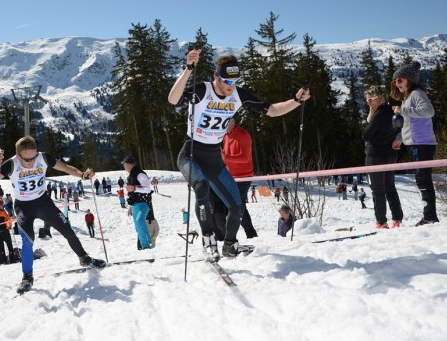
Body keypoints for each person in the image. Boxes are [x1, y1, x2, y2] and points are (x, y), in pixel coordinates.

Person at [168, 51, 310, 260]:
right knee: (201, 188)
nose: (231, 86)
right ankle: (208, 240)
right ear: (217, 77)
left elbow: (271, 110)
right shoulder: (202, 91)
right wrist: (188, 69)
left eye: (235, 81)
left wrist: (297, 100)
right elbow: (173, 99)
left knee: (236, 205)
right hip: (191, 154)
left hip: (214, 159)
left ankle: (229, 245)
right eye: (227, 81)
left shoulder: (238, 95)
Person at [0, 136, 105, 294]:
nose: (31, 162)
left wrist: (82, 175)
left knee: (67, 230)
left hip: (44, 203)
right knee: (28, 240)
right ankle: (27, 277)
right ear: (18, 156)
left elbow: (65, 167)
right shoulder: (11, 164)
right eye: (27, 160)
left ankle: (84, 258)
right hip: (24, 207)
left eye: (33, 157)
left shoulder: (43, 158)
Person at [391, 61, 439, 226]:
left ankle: (430, 216)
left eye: (400, 80)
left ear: (409, 80)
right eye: (395, 81)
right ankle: (430, 216)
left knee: (422, 179)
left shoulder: (417, 94)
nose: (397, 84)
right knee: (422, 179)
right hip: (416, 143)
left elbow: (429, 111)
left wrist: (403, 110)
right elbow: (409, 124)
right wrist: (400, 139)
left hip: (422, 143)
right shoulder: (407, 98)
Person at [362, 85, 403, 228]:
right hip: (391, 155)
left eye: (371, 99)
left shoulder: (379, 115)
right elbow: (399, 127)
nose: (369, 103)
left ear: (381, 97)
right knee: (390, 187)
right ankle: (397, 219)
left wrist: (371, 118)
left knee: (378, 189)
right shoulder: (392, 112)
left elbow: (366, 135)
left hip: (375, 156)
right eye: (367, 101)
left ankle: (381, 221)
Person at [122, 155, 153, 250]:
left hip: (143, 203)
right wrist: (131, 206)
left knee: (139, 222)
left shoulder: (140, 174)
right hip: (135, 205)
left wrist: (134, 188)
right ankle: (143, 246)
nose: (124, 166)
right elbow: (132, 193)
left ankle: (147, 245)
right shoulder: (132, 175)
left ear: (129, 164)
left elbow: (147, 189)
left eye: (124, 164)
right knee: (137, 227)